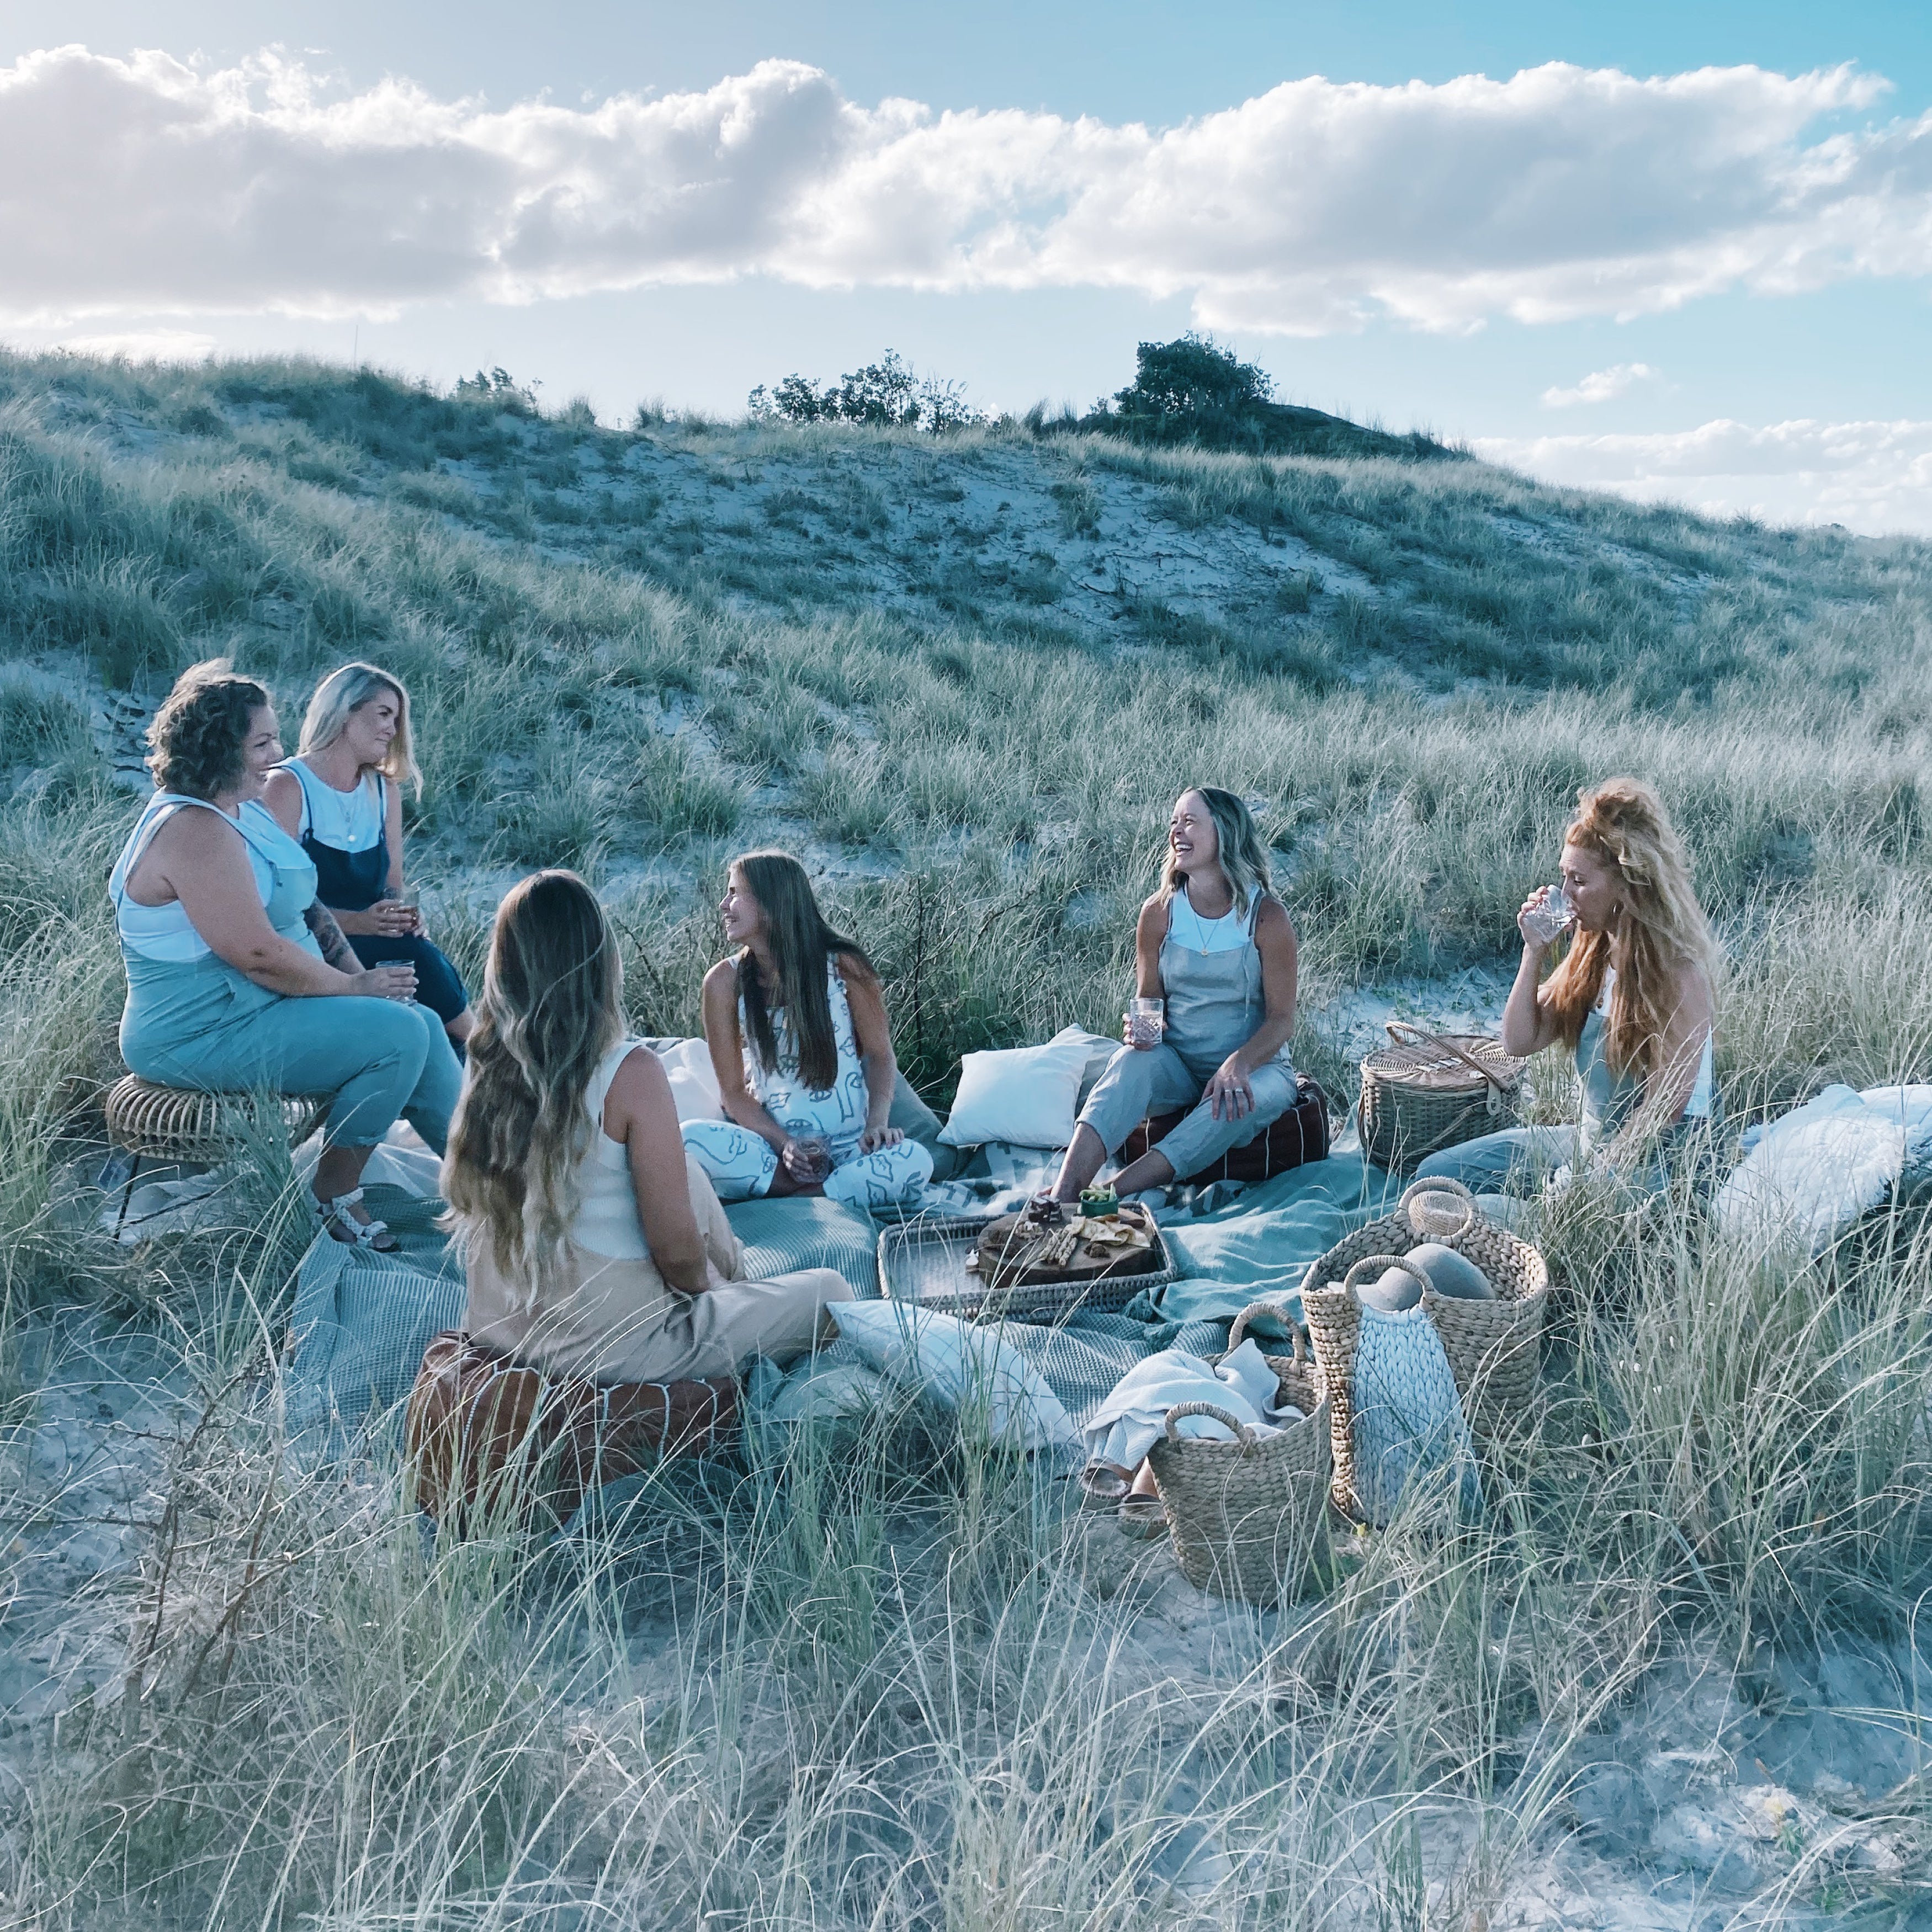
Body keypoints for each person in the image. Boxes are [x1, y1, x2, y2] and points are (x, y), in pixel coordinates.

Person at [443, 870, 851, 1384]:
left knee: (686, 1167)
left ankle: (736, 1291)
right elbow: (678, 1257)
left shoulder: (485, 1060)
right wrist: (713, 1290)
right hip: (612, 1355)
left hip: (500, 1335)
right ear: (600, 962)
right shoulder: (630, 1071)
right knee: (831, 1293)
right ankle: (739, 1295)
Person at [109, 660, 463, 1249]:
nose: (277, 753)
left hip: (259, 1008)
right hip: (198, 1031)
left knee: (418, 1021)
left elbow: (311, 909)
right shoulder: (193, 828)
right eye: (263, 741)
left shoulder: (243, 810)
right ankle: (336, 1194)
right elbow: (258, 954)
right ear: (220, 748)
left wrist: (360, 976)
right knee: (397, 1036)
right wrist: (356, 992)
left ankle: (486, 1179)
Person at [1414, 776, 1718, 1217]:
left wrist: (1583, 1184)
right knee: (1435, 1176)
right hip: (1590, 1139)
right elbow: (1519, 1042)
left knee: (1483, 1213)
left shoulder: (1679, 974)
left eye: (1579, 880)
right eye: (1564, 876)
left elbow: (1662, 1112)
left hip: (1658, 1163)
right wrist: (1532, 951)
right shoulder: (1593, 949)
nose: (1564, 894)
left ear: (1627, 887)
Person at [1053, 787, 1299, 1204]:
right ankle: (1063, 1194)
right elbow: (1150, 999)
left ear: (1224, 831)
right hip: (1180, 1066)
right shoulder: (1158, 912)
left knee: (1236, 1102)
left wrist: (1238, 1064)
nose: (1176, 832)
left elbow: (1281, 1019)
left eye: (1189, 822)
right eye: (1173, 823)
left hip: (1257, 1067)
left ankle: (1110, 1195)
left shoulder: (1267, 917)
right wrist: (1142, 1030)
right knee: (1129, 1062)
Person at [681, 852, 934, 1212]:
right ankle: (825, 1193)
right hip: (775, 1154)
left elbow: (880, 1056)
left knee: (915, 1161)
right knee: (689, 1139)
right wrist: (785, 1145)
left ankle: (810, 1197)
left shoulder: (844, 964)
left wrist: (877, 1127)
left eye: (735, 893)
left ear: (771, 902)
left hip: (853, 1152)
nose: (724, 905)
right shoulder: (724, 982)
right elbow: (734, 1094)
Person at [263, 662, 472, 1048]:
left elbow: (392, 885)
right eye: (383, 714)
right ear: (344, 713)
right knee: (418, 963)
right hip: (312, 950)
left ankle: (471, 1063)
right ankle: (488, 1049)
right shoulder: (288, 787)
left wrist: (402, 918)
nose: (393, 729)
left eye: (397, 718)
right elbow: (275, 904)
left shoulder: (383, 792)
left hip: (380, 945)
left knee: (416, 955)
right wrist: (360, 923)